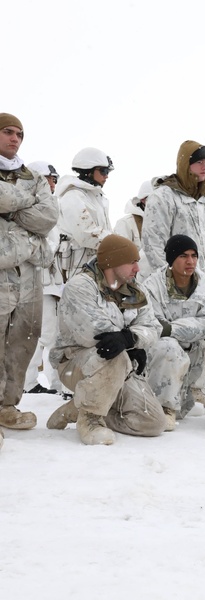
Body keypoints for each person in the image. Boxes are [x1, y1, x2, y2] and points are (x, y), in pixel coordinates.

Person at [47, 235, 166, 445]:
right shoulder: (81, 286)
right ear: (112, 261)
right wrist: (128, 344)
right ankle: (90, 419)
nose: (137, 268)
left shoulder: (135, 290)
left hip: (120, 364)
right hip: (76, 363)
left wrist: (131, 339)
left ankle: (80, 406)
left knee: (153, 423)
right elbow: (95, 335)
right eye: (132, 262)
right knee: (112, 354)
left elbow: (152, 327)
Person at [0, 113, 59, 441]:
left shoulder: (33, 176)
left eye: (19, 134)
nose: (15, 139)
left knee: (24, 339)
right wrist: (28, 209)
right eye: (8, 132)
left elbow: (48, 217)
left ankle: (7, 405)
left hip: (28, 275)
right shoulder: (33, 186)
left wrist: (10, 210)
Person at [143, 234, 205, 431]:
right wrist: (187, 329)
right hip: (162, 359)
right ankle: (164, 408)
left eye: (194, 255)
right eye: (183, 256)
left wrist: (172, 328)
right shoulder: (152, 287)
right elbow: (154, 325)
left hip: (195, 358)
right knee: (167, 346)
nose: (190, 261)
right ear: (171, 259)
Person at [142, 141, 205, 281]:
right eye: (199, 162)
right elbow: (153, 241)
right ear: (186, 164)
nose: (204, 167)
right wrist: (170, 279)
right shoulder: (163, 197)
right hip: (180, 285)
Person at [22, 161, 66, 396]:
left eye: (55, 178)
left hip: (53, 282)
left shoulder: (51, 206)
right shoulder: (30, 206)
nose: (53, 183)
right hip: (37, 280)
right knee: (42, 333)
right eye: (50, 178)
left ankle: (56, 383)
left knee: (54, 335)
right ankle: (28, 383)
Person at [56, 147, 114, 278]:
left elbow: (105, 230)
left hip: (96, 265)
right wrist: (116, 243)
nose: (107, 176)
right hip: (77, 268)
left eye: (108, 171)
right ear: (88, 171)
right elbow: (86, 233)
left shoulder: (98, 199)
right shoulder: (73, 196)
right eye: (104, 171)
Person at [112, 180, 155, 279]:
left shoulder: (165, 224)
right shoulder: (126, 223)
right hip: (134, 282)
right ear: (143, 200)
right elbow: (119, 257)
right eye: (154, 198)